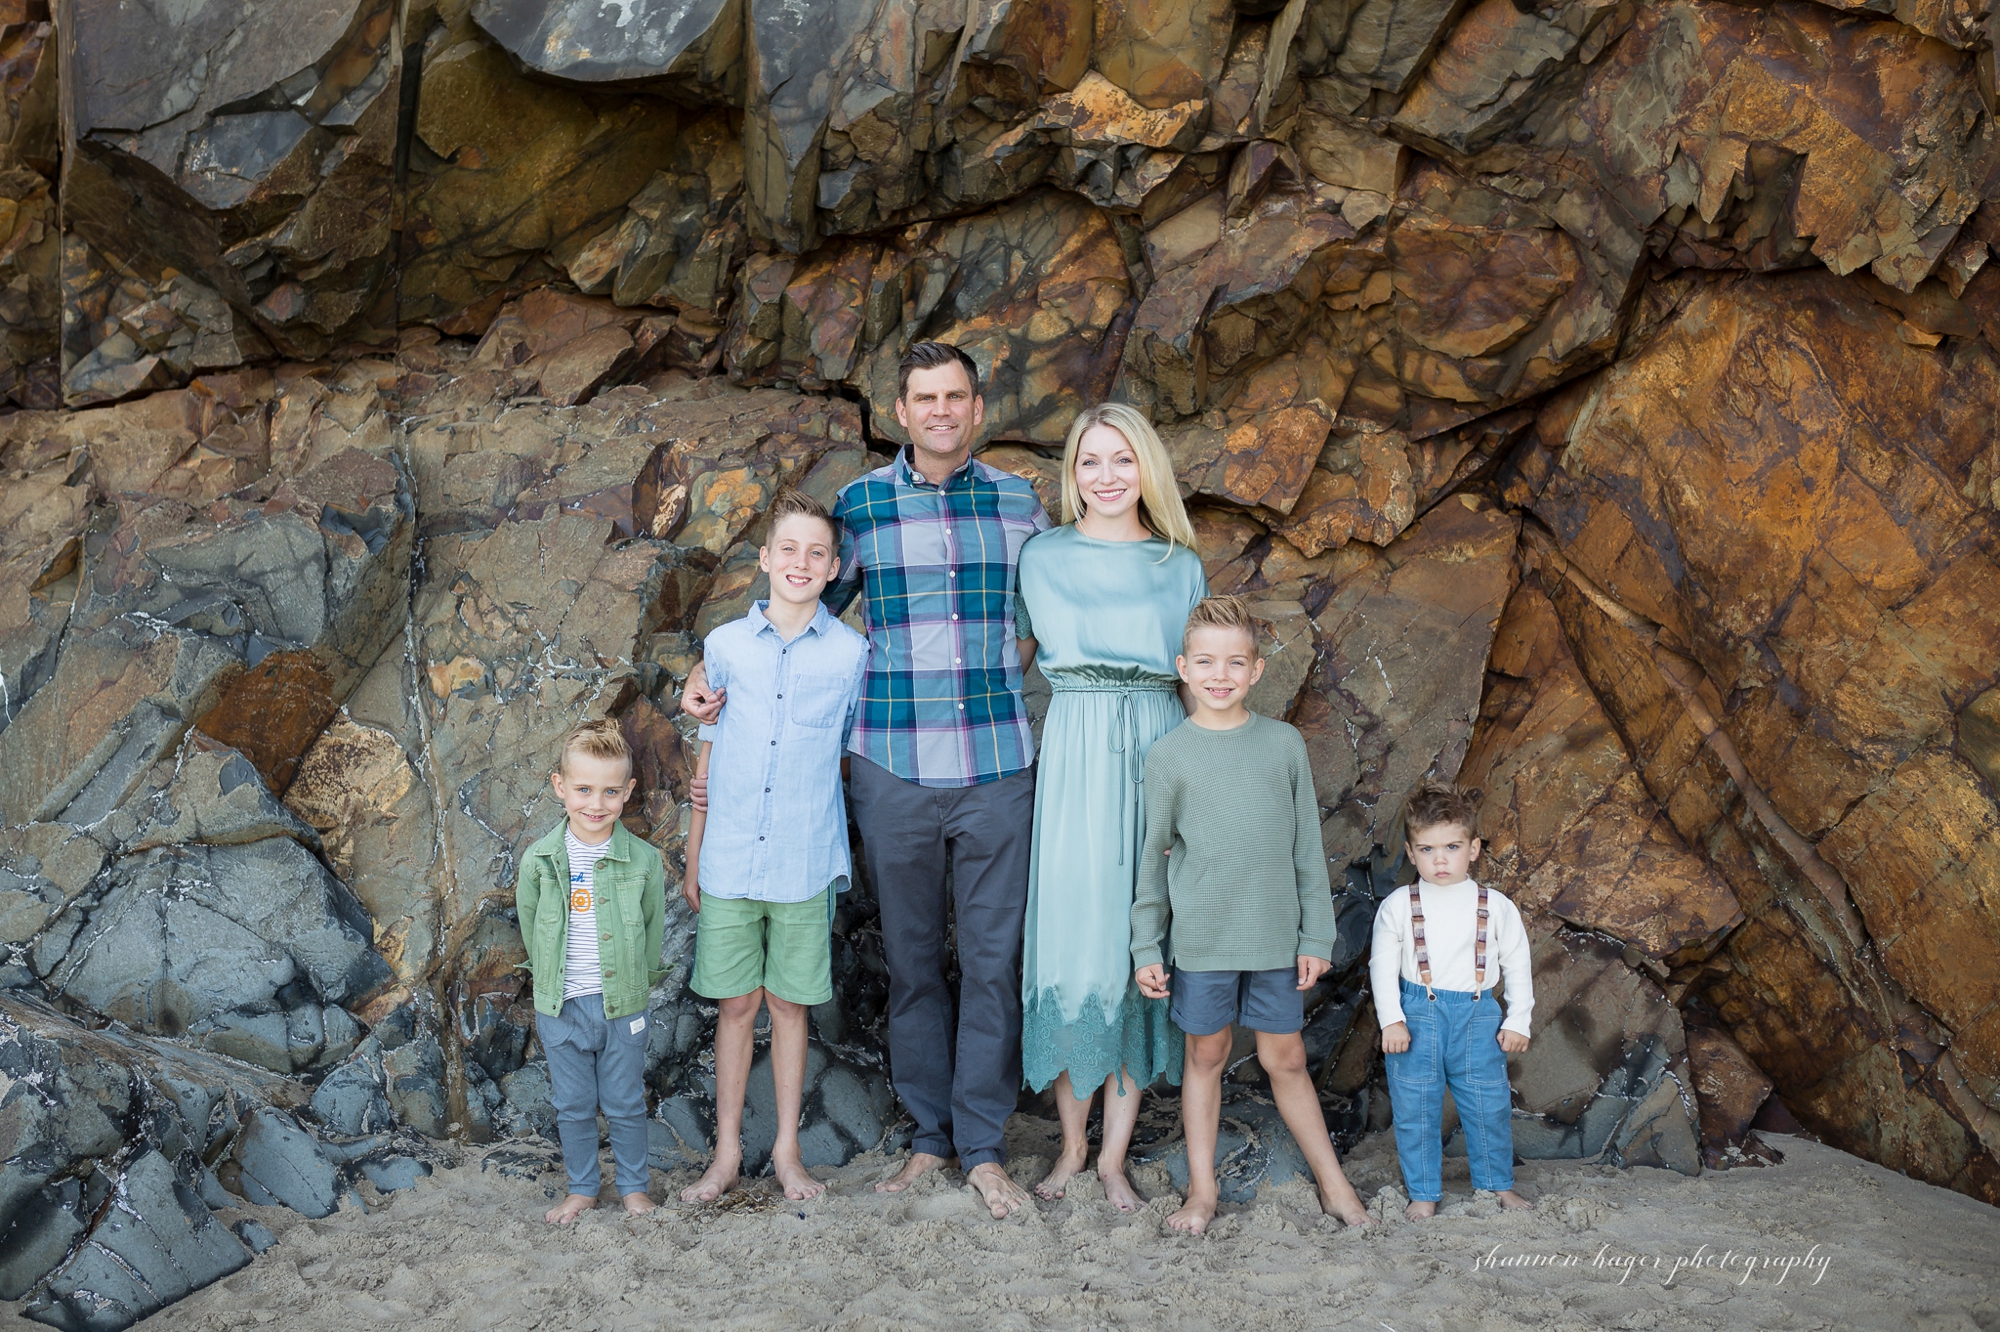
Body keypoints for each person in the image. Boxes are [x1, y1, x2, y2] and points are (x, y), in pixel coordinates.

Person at [681, 341, 1049, 1218]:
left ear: (977, 408)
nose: (941, 412)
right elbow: (798, 610)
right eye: (925, 397)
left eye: (956, 397)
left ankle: (985, 1146)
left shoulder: (1018, 505)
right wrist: (711, 678)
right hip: (892, 769)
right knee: (916, 962)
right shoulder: (861, 509)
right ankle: (930, 1139)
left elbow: (1043, 620)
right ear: (900, 409)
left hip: (999, 763)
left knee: (996, 964)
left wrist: (996, 666)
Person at [1132, 595, 1373, 1235]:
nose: (1220, 675)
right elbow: (1152, 860)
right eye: (1206, 661)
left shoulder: (1283, 744)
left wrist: (1316, 934)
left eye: (1235, 663)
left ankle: (1335, 1185)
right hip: (1203, 939)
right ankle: (1203, 1192)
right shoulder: (1168, 756)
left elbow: (1305, 847)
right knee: (1206, 1055)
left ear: (1257, 671)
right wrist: (1146, 948)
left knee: (1285, 1058)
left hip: (1272, 938)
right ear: (1183, 667)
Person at [1016, 403, 1204, 1212]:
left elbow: (1203, 683)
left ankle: (1111, 1161)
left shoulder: (1180, 563)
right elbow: (1004, 660)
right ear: (1072, 472)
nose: (1105, 476)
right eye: (1090, 461)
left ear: (1147, 469)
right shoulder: (1041, 557)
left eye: (1122, 460)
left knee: (1142, 935)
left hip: (1160, 742)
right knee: (1074, 939)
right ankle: (1068, 1145)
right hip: (1077, 747)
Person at [678, 489, 870, 1205]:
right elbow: (706, 750)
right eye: (787, 548)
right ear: (764, 559)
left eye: (815, 553)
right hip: (729, 856)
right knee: (735, 1006)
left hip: (805, 859)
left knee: (789, 1008)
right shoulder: (724, 648)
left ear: (833, 569)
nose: (800, 562)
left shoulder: (851, 655)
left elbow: (855, 751)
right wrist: (694, 856)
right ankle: (726, 1154)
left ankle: (788, 1152)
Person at [514, 719, 667, 1224]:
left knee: (624, 1102)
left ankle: (633, 1188)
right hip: (561, 1006)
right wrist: (547, 984)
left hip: (623, 1005)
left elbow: (651, 930)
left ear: (628, 792)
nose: (595, 804)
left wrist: (638, 990)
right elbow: (531, 926)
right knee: (572, 1104)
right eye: (583, 789)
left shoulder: (643, 861)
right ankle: (582, 1187)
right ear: (560, 788)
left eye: (608, 791)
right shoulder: (539, 861)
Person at [1371, 781, 1535, 1220]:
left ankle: (1496, 1185)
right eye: (1426, 849)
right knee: (1415, 1105)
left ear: (1474, 848)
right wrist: (1392, 1020)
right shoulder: (1398, 905)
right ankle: (1424, 1191)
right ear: (1410, 851)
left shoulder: (1495, 906)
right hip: (1416, 1012)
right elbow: (1382, 967)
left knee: (1488, 1103)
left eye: (1451, 846)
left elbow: (1518, 963)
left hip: (1479, 1014)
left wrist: (1518, 1019)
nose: (1439, 859)